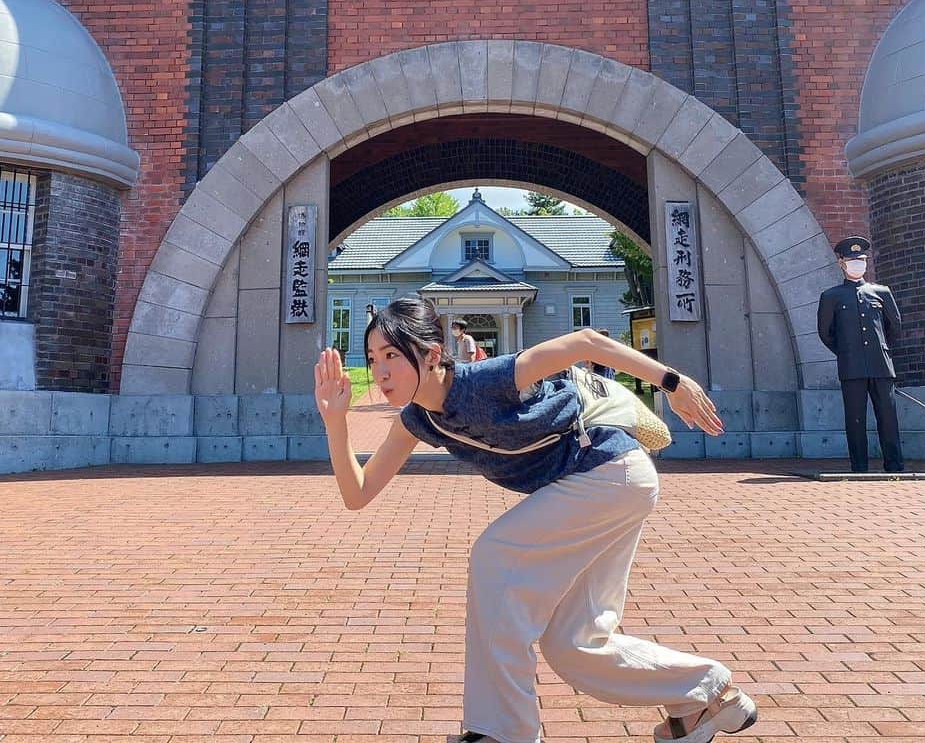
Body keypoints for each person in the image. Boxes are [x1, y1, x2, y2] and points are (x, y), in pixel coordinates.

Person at [314, 294, 757, 743]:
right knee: (574, 646)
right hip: (599, 488)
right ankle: (704, 697)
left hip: (606, 470)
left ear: (431, 355)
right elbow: (359, 493)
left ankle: (502, 732)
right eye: (373, 358)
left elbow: (586, 342)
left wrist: (672, 382)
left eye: (392, 355)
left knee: (494, 555)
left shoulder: (486, 380)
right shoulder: (417, 421)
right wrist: (336, 422)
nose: (381, 372)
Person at [816, 236, 905, 474]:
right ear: (842, 263)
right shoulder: (832, 296)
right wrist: (846, 352)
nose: (858, 264)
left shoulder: (881, 292)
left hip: (880, 365)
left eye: (861, 260)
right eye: (852, 260)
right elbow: (826, 333)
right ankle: (859, 467)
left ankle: (894, 465)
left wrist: (880, 348)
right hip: (851, 365)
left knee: (888, 417)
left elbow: (894, 327)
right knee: (855, 420)